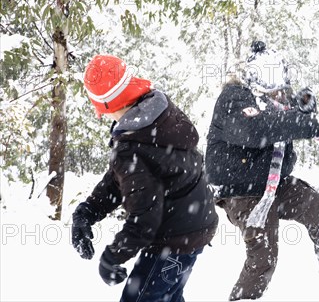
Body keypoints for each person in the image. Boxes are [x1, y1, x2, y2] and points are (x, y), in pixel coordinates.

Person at [205, 41, 319, 301]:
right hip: (242, 192)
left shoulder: (278, 100)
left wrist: (304, 110)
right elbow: (253, 130)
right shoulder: (236, 97)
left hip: (276, 185)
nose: (281, 93)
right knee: (263, 257)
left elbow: (288, 124)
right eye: (276, 86)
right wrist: (298, 121)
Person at [70, 54, 218, 302]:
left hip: (174, 238)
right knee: (168, 297)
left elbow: (143, 218)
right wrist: (87, 211)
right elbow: (124, 177)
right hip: (194, 225)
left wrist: (112, 257)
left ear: (106, 105)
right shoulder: (156, 113)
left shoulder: (132, 145)